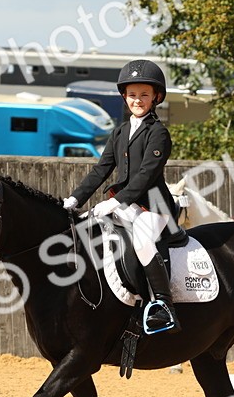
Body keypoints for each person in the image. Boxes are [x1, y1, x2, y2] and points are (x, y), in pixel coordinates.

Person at [63, 60, 180, 334]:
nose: (137, 100)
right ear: (124, 97)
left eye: (144, 95)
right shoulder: (120, 132)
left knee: (141, 241)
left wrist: (115, 202)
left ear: (156, 98)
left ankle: (164, 305)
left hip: (155, 207)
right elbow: (101, 169)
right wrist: (75, 199)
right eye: (132, 95)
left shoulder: (158, 133)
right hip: (125, 204)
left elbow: (146, 176)